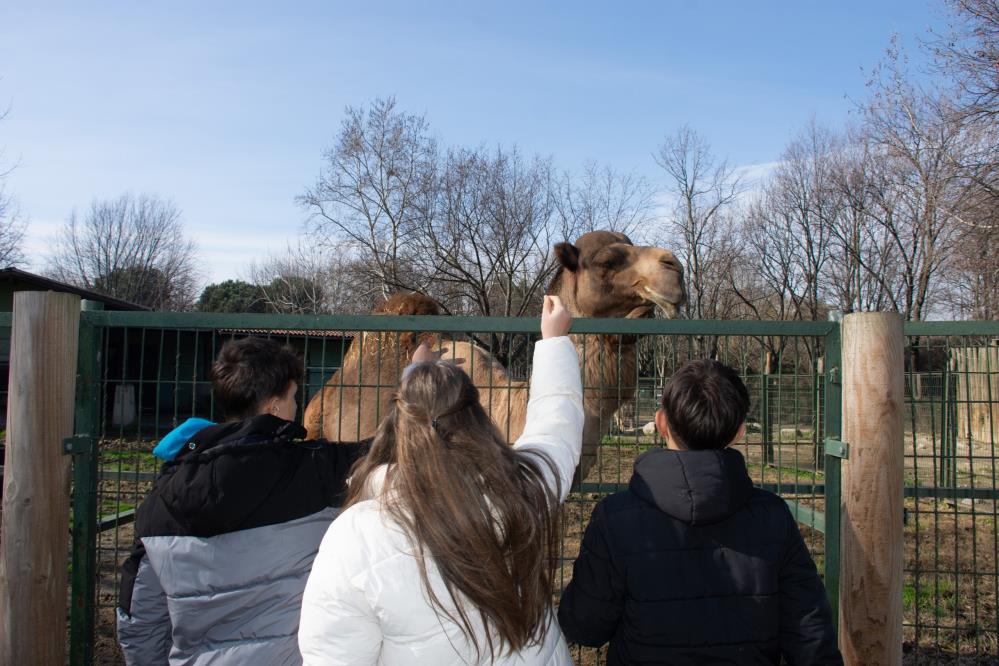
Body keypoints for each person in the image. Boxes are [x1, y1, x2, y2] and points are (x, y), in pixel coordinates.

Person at [298, 295, 583, 665]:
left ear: (397, 424)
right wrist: (554, 341)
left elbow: (333, 655)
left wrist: (414, 378)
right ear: (476, 417)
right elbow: (556, 424)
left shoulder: (353, 535)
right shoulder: (525, 488)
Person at [557, 358, 843, 665]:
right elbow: (809, 634)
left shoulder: (614, 518)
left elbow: (585, 627)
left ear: (661, 422)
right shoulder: (773, 517)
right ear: (740, 432)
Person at [116, 336, 369, 665]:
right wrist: (417, 380)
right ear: (274, 405)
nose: (296, 406)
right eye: (293, 396)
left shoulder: (159, 503)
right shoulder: (316, 469)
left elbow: (139, 621)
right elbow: (396, 448)